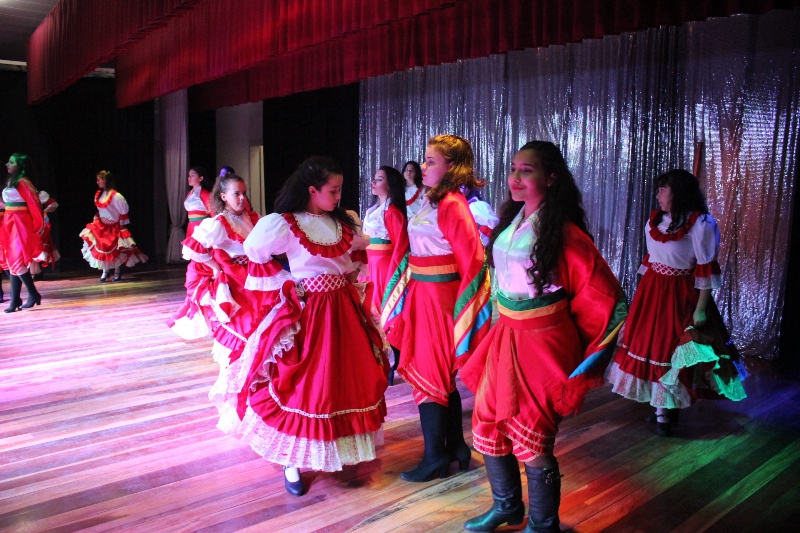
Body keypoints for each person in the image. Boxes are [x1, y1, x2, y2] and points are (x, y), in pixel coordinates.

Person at [459, 141, 627, 532]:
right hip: (506, 336)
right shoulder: (511, 221)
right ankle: (507, 507)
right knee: (487, 420)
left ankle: (544, 524)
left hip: (542, 343)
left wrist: (586, 352)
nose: (515, 178)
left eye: (527, 170)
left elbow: (604, 296)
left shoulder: (566, 234)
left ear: (551, 178)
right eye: (513, 168)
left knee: (532, 432)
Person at [236, 156, 388, 496]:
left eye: (339, 190)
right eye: (332, 190)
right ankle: (291, 460)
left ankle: (336, 448)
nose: (338, 196)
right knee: (305, 382)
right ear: (312, 190)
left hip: (343, 309)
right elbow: (256, 253)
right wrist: (289, 283)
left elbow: (355, 259)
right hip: (310, 312)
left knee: (342, 380)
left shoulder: (345, 220)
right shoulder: (286, 223)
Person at [606, 169, 746, 437]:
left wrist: (701, 309)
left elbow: (706, 269)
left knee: (671, 350)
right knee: (652, 349)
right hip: (653, 292)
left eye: (663, 190)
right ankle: (663, 407)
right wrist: (644, 297)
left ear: (678, 193)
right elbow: (652, 259)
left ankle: (665, 412)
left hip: (680, 294)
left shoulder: (701, 224)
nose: (658, 195)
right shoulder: (655, 222)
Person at [396, 135, 491, 482]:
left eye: (431, 161)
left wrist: (464, 312)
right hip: (424, 293)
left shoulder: (452, 205)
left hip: (438, 298)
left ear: (452, 167)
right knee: (438, 375)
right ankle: (455, 448)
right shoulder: (432, 200)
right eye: (424, 160)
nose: (423, 167)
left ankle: (435, 456)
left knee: (430, 371)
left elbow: (473, 261)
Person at [362, 165, 410, 385]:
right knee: (369, 314)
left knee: (387, 313)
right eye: (374, 178)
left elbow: (401, 245)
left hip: (384, 268)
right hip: (370, 265)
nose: (373, 182)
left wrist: (394, 275)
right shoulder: (373, 210)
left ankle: (395, 362)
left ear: (390, 184)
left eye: (379, 179)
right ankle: (377, 360)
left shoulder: (392, 211)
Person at [167, 166, 215, 338]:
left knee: (201, 261)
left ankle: (203, 290)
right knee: (194, 260)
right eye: (188, 176)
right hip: (191, 228)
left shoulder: (205, 194)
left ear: (201, 178)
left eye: (192, 175)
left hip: (200, 228)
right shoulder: (190, 193)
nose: (189, 178)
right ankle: (196, 289)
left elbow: (213, 213)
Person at [80, 170, 148, 281]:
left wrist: (120, 224)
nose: (97, 182)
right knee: (102, 247)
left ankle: (117, 272)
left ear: (105, 180)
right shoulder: (100, 194)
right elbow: (101, 210)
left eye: (99, 180)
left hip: (113, 226)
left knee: (116, 250)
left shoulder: (116, 196)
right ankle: (105, 271)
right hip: (101, 225)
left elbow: (123, 210)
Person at [1, 154, 44, 312]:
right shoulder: (12, 181)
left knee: (16, 261)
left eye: (11, 162)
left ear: (19, 166)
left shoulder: (23, 182)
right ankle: (16, 300)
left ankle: (32, 294)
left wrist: (38, 226)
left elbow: (34, 204)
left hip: (20, 223)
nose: (7, 164)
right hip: (10, 221)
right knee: (14, 260)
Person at [30, 190, 61, 279]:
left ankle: (34, 273)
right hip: (31, 222)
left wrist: (43, 212)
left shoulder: (39, 195)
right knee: (31, 246)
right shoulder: (25, 196)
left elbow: (53, 204)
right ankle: (36, 272)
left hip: (41, 223)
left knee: (36, 244)